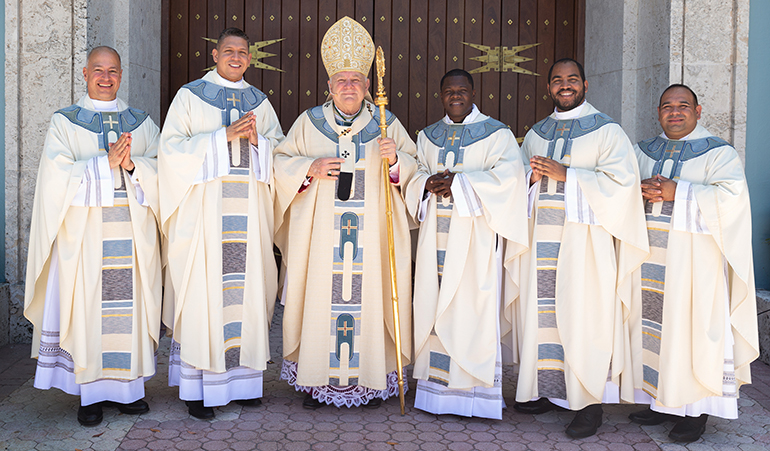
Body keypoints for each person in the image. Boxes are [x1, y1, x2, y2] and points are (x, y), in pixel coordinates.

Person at [273, 16, 417, 409]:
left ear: (369, 86)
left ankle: (369, 381)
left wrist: (395, 161)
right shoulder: (309, 123)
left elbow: (414, 171)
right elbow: (279, 164)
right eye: (341, 80)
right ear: (329, 86)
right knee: (321, 301)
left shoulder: (386, 125)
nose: (349, 86)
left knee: (368, 302)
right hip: (322, 243)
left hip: (370, 244)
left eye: (356, 80)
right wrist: (309, 169)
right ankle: (317, 379)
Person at [24, 46, 161, 426]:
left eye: (113, 71)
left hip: (131, 236)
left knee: (127, 313)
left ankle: (128, 391)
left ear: (121, 75)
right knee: (88, 311)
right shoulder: (65, 122)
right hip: (84, 239)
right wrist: (105, 165)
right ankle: (90, 395)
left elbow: (164, 172)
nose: (105, 77)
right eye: (98, 70)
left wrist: (132, 164)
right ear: (84, 74)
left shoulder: (142, 121)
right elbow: (55, 180)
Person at [513, 58, 648, 437]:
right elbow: (518, 185)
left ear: (585, 85)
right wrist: (530, 177)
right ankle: (544, 389)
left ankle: (590, 403)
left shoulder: (608, 132)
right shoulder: (537, 132)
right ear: (549, 88)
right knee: (545, 318)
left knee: (585, 318)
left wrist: (567, 175)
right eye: (558, 80)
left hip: (586, 247)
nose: (565, 85)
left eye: (572, 79)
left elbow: (622, 187)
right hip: (542, 242)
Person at [158, 27, 284, 419]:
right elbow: (170, 151)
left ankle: (244, 382)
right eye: (228, 50)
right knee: (204, 297)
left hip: (248, 220)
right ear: (214, 55)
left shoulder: (259, 102)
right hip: (204, 222)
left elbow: (281, 152)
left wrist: (260, 143)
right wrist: (222, 137)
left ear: (250, 58)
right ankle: (198, 390)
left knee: (247, 298)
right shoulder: (190, 96)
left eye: (242, 52)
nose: (235, 57)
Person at [628, 84, 758, 442]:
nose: (675, 112)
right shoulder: (643, 151)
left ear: (698, 112)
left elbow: (732, 201)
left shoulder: (719, 153)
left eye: (683, 106)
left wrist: (677, 191)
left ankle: (695, 410)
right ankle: (659, 400)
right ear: (658, 113)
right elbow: (621, 192)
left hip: (695, 266)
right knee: (654, 332)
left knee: (691, 332)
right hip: (650, 260)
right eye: (667, 106)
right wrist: (637, 189)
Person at [405, 69, 528, 419]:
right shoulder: (428, 136)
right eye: (448, 91)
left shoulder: (498, 134)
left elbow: (509, 180)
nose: (455, 96)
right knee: (433, 303)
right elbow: (414, 175)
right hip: (434, 244)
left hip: (475, 241)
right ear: (441, 95)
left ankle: (474, 393)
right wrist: (427, 184)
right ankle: (435, 394)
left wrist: (459, 185)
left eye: (461, 90)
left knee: (472, 307)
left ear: (473, 93)